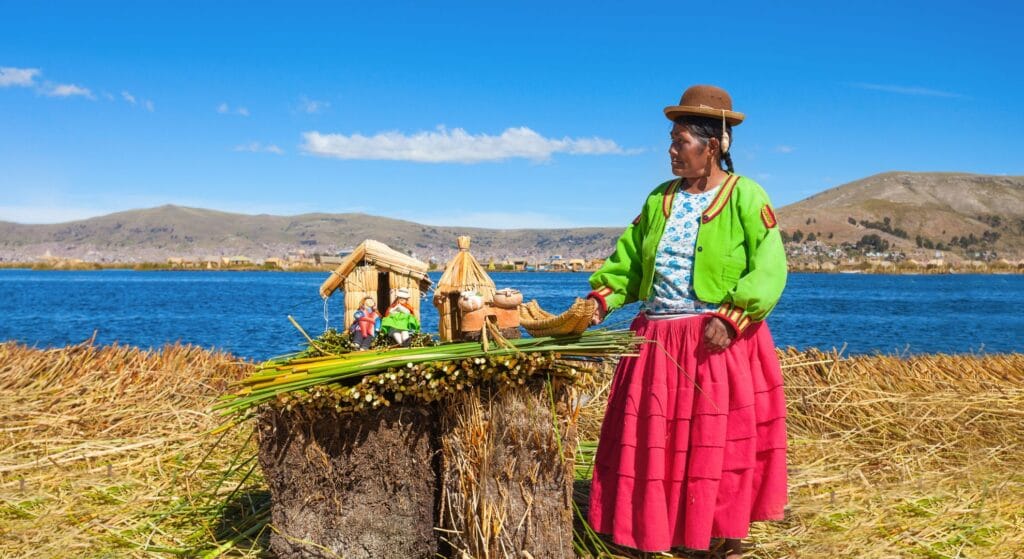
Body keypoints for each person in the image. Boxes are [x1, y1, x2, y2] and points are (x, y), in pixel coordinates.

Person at [585, 85, 788, 558]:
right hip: (656, 340)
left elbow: (770, 267)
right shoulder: (659, 199)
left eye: (681, 142)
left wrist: (733, 317)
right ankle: (648, 530)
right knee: (653, 439)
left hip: (715, 339)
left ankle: (720, 534)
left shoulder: (745, 195)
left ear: (711, 146)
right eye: (671, 142)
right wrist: (599, 302)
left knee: (716, 441)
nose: (672, 151)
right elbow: (629, 262)